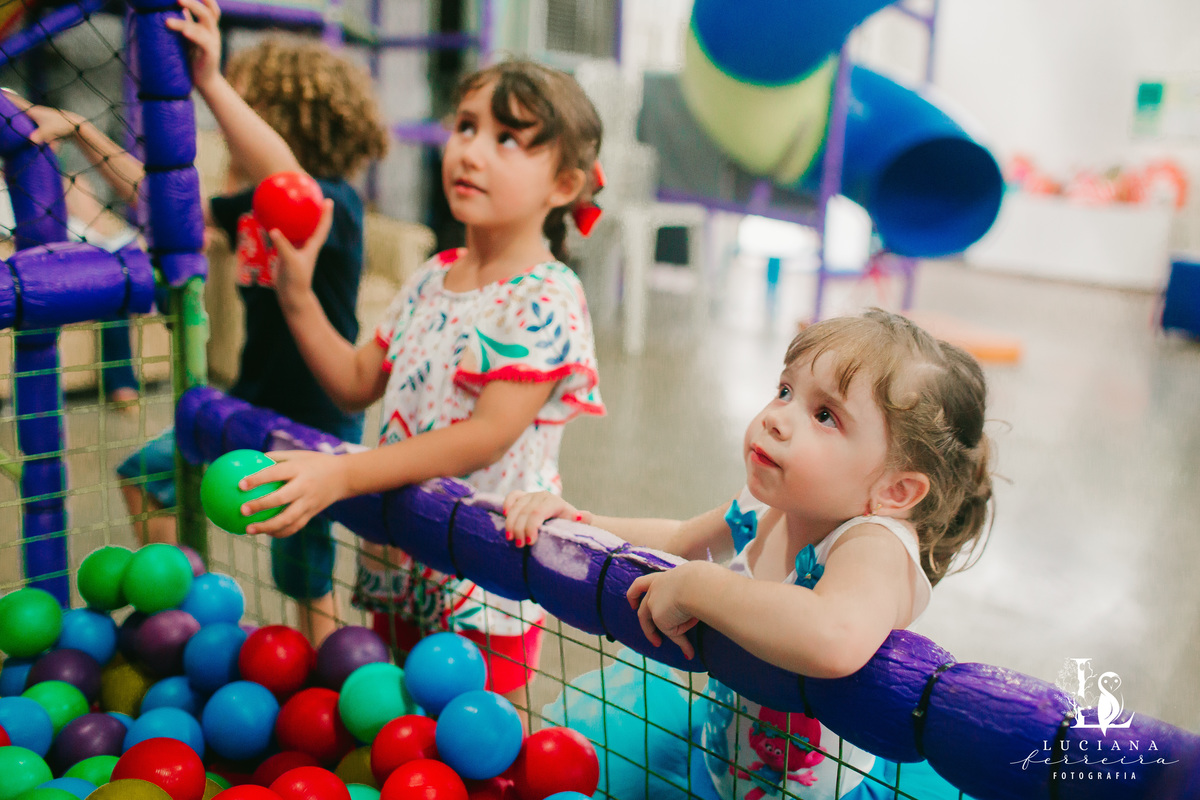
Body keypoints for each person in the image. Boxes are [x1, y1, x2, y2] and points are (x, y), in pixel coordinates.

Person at [238, 59, 606, 723]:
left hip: (485, 569)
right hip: (402, 551)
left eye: (508, 139)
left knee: (484, 734)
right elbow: (354, 384)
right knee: (401, 726)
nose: (470, 150)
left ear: (565, 184)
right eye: (465, 127)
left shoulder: (548, 297)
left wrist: (343, 475)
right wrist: (296, 298)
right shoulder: (432, 277)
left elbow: (481, 438)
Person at [16, 0, 391, 645]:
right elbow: (159, 199)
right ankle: (183, 628)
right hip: (249, 404)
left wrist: (211, 83)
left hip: (313, 423)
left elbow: (288, 177)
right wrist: (84, 130)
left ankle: (329, 669)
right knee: (146, 474)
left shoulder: (335, 204)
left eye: (239, 110)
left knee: (302, 567)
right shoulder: (249, 205)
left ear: (274, 118)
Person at [503, 309, 994, 800]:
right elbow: (678, 541)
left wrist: (702, 586)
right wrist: (581, 523)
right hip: (722, 764)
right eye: (785, 391)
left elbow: (832, 636)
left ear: (895, 489)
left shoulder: (874, 546)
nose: (777, 419)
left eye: (825, 415)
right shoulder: (762, 505)